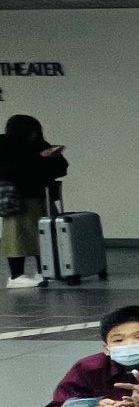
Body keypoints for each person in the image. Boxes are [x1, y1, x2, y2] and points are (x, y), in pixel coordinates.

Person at [1, 114, 67, 288]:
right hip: (18, 198)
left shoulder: (40, 144)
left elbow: (61, 169)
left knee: (44, 235)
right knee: (17, 236)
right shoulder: (4, 144)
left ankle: (44, 270)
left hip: (42, 195)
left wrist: (52, 157)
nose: (35, 134)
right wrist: (40, 159)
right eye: (31, 131)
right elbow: (10, 169)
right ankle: (16, 276)